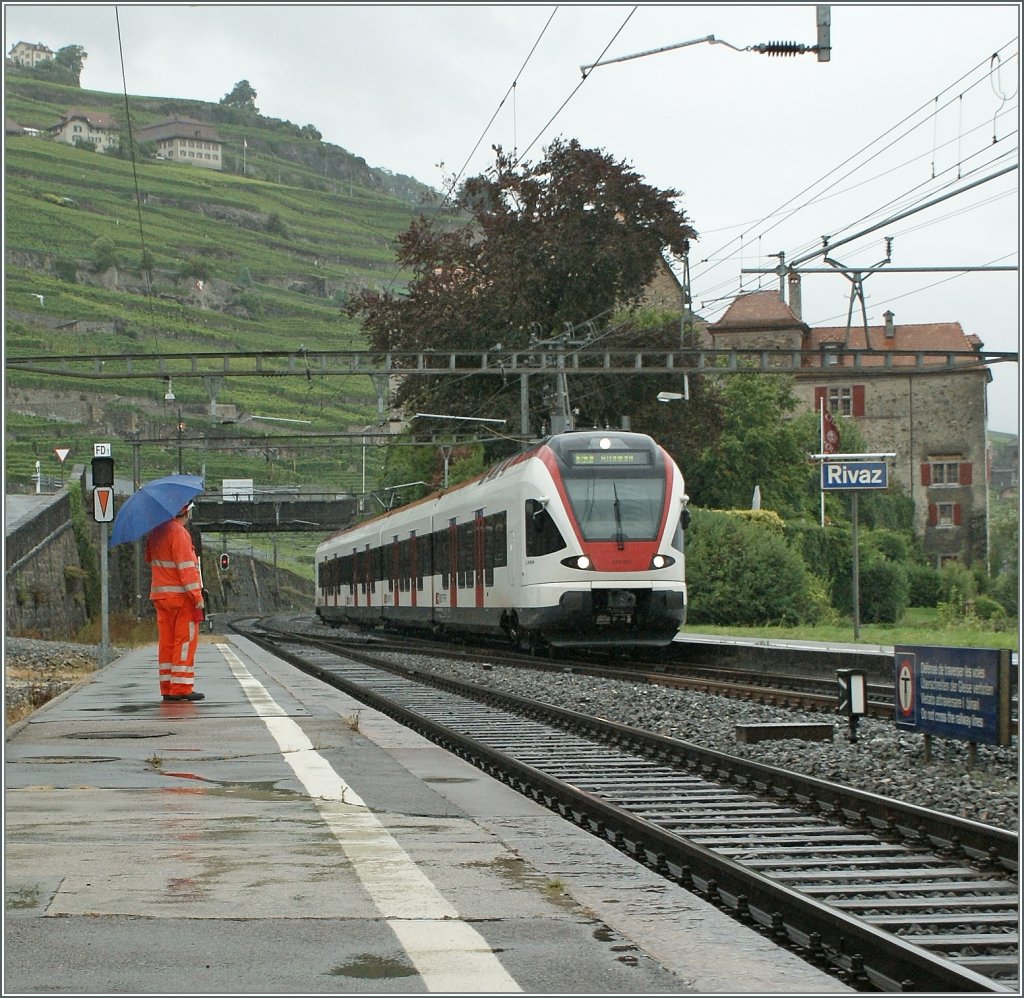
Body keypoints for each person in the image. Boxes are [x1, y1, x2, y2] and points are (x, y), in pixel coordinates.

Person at [145, 502, 206, 702]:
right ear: (186, 512)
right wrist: (197, 596)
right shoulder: (179, 533)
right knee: (185, 641)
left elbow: (149, 558)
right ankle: (181, 686)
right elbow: (186, 568)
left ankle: (167, 686)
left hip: (161, 597)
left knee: (167, 642)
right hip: (181, 598)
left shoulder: (156, 532)